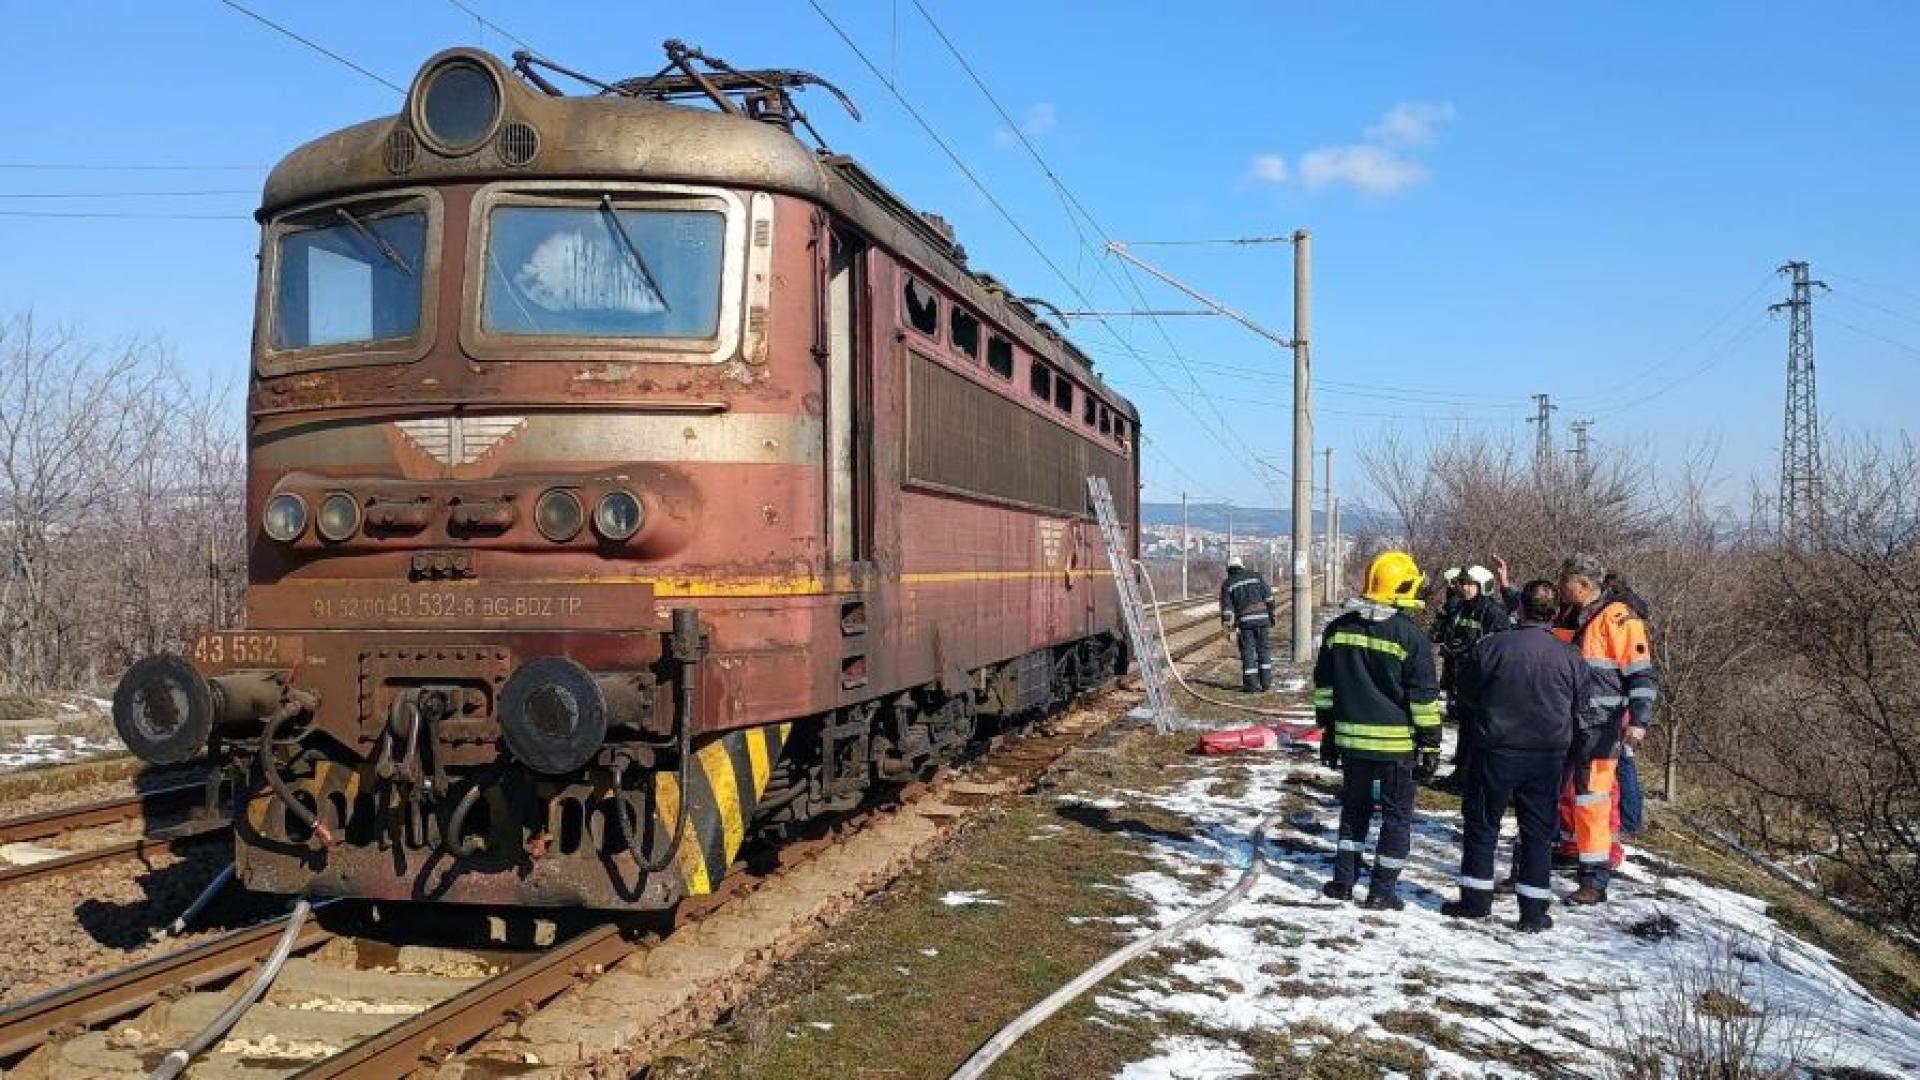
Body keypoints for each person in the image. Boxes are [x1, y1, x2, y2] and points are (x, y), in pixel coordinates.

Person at [1442, 580, 1587, 932]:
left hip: (1496, 750)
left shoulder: (1491, 647)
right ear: (1554, 613)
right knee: (1538, 834)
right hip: (1547, 756)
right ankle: (1533, 912)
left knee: (1482, 826)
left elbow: (1466, 692)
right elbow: (1582, 707)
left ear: (1520, 608)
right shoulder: (1570, 656)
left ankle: (1475, 901)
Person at [1312, 550, 1442, 911]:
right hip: (1396, 748)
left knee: (1354, 811)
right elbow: (1423, 700)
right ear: (1401, 588)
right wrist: (1431, 745)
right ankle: (1382, 891)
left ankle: (1343, 881)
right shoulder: (1410, 637)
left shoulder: (1338, 629)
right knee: (1396, 818)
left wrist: (1328, 731)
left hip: (1350, 743)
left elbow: (1324, 689)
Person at [1551, 553, 1659, 905]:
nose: (1559, 585)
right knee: (1552, 795)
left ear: (1583, 584)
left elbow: (1641, 674)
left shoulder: (1618, 618)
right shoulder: (1569, 614)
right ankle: (1556, 855)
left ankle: (1594, 881)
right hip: (1562, 721)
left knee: (1593, 801)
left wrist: (1639, 721)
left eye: (1565, 580)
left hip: (1600, 727)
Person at [1431, 565, 1512, 790]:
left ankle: (1473, 776)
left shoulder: (1493, 612)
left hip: (1483, 681)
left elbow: (1498, 647)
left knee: (1478, 729)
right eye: (1463, 584)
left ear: (1482, 586)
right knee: (1465, 727)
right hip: (1461, 676)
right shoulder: (1459, 608)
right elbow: (1447, 634)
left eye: (1470, 584)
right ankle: (1461, 773)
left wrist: (1470, 651)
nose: (1465, 589)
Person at [1602, 573, 1651, 837]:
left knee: (1623, 762)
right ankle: (1630, 820)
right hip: (1628, 700)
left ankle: (1630, 822)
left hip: (1621, 703)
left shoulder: (1621, 617)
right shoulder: (1634, 615)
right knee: (1625, 761)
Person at [1219, 556, 1277, 692]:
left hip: (1245, 622)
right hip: (1263, 619)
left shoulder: (1228, 583)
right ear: (1242, 566)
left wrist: (1228, 629)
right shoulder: (1256, 576)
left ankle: (1251, 685)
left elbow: (1227, 610)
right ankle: (1266, 683)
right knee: (1264, 651)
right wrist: (1271, 615)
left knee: (1248, 652)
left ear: (1229, 569)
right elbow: (1269, 598)